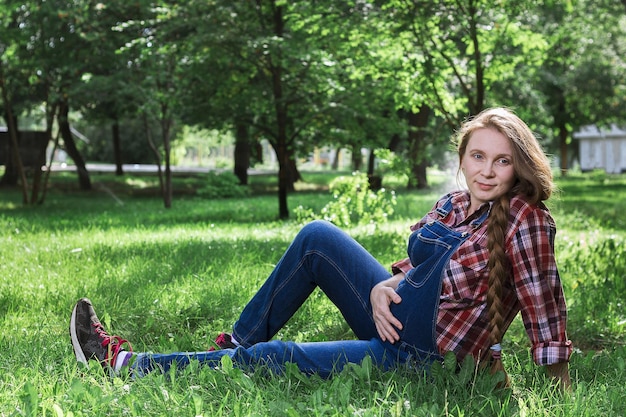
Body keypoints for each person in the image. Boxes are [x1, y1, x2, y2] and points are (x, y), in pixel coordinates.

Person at [70, 107, 572, 389]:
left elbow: (544, 310)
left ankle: (125, 365)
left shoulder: (525, 221)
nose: (487, 170)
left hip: (424, 359)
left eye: (502, 161)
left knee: (280, 356)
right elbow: (420, 266)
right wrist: (387, 286)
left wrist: (558, 389)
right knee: (316, 237)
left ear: (520, 166)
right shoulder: (456, 203)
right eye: (477, 156)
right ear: (462, 159)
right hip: (394, 319)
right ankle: (229, 350)